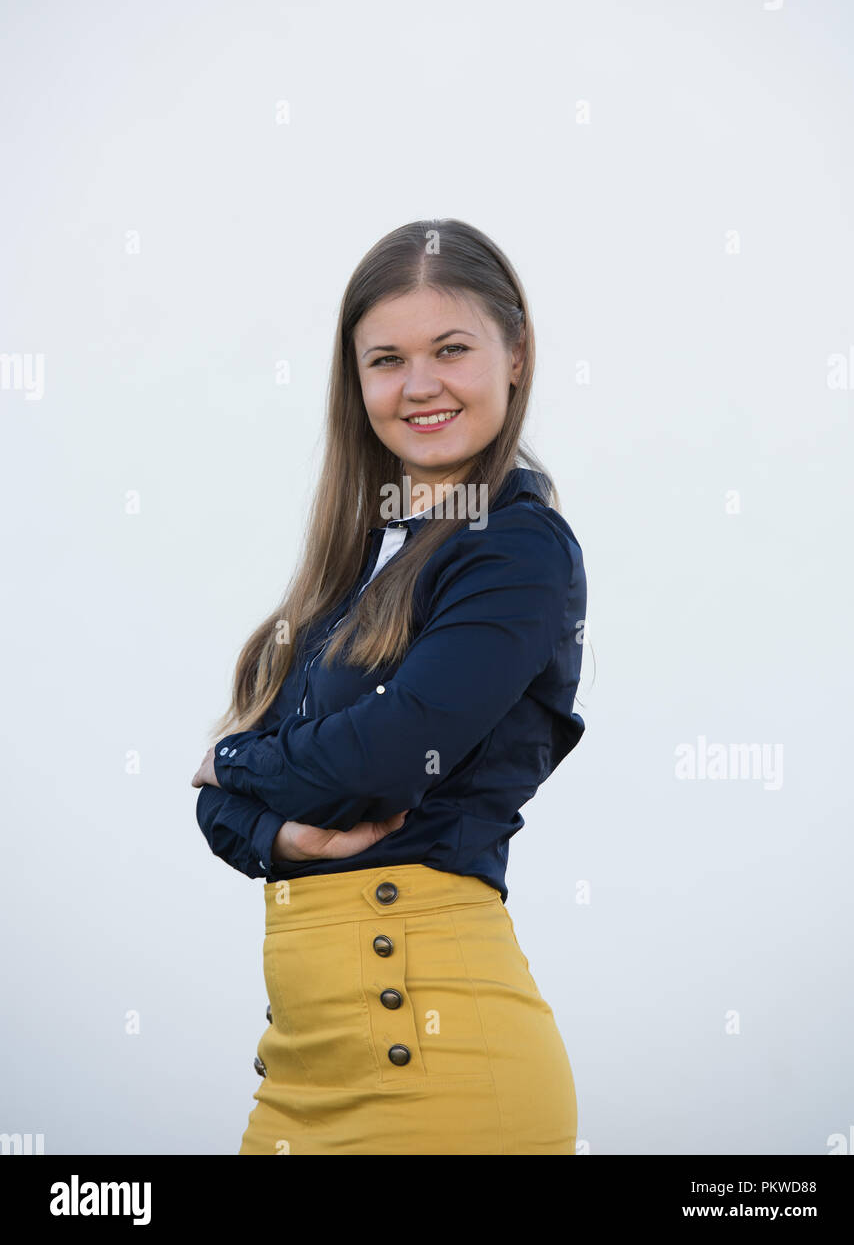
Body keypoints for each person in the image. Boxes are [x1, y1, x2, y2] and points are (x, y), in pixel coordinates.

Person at [191, 217, 589, 1155]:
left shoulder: (516, 548)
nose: (419, 386)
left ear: (516, 353)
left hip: (437, 1058)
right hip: (302, 1068)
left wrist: (228, 761)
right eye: (386, 359)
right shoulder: (357, 575)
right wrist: (270, 823)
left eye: (451, 349)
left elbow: (389, 752)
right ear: (355, 380)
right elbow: (223, 814)